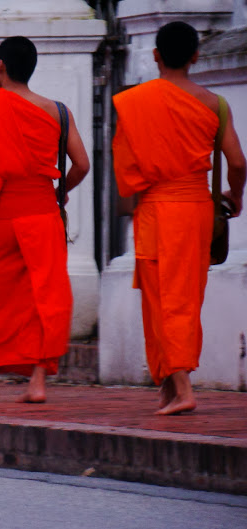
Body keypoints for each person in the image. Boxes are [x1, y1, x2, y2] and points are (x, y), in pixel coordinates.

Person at [112, 21, 246, 415]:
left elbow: (126, 172)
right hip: (195, 211)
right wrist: (234, 197)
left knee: (161, 300)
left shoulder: (135, 102)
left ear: (155, 56)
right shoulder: (214, 104)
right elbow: (237, 161)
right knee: (183, 299)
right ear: (195, 56)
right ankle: (170, 386)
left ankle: (184, 387)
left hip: (156, 209)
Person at [0, 36, 90, 402]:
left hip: (2, 213)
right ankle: (38, 382)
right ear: (32, 69)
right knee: (45, 294)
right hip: (43, 211)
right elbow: (81, 165)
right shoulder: (57, 111)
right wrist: (60, 192)